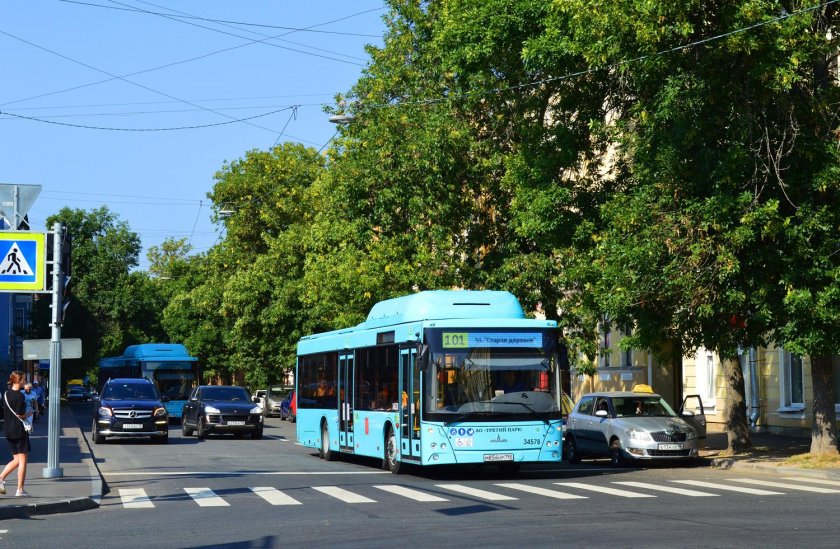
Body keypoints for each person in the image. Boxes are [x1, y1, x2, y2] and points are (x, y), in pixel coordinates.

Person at [1, 371, 33, 497]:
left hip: (8, 430)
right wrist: (30, 414)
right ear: (18, 380)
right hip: (19, 431)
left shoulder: (6, 394)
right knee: (23, 461)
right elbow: (20, 414)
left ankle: (1, 478)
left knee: (16, 459)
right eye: (23, 379)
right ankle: (20, 489)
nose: (25, 382)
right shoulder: (20, 396)